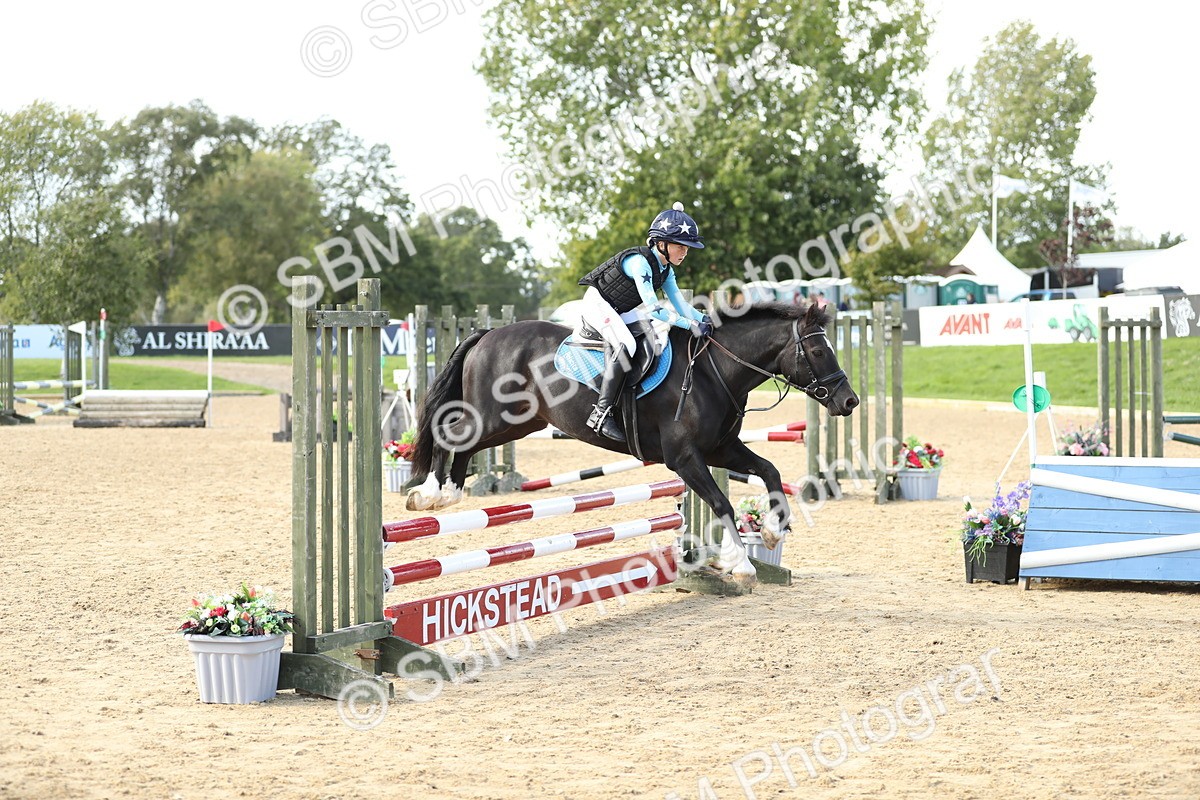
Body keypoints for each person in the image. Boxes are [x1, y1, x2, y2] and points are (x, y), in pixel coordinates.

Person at [577, 202, 712, 441]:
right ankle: (600, 414)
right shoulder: (640, 263)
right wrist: (691, 325)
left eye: (687, 248)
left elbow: (681, 305)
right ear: (661, 243)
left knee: (654, 332)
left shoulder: (666, 270)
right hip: (597, 304)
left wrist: (705, 319)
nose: (684, 252)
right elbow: (656, 310)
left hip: (620, 308)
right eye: (680, 246)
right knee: (627, 344)